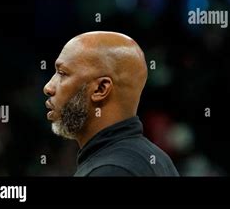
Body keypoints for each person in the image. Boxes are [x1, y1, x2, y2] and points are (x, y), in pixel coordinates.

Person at [43, 31, 179, 176]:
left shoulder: (110, 170)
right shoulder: (158, 159)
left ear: (100, 89)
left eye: (63, 73)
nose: (48, 87)